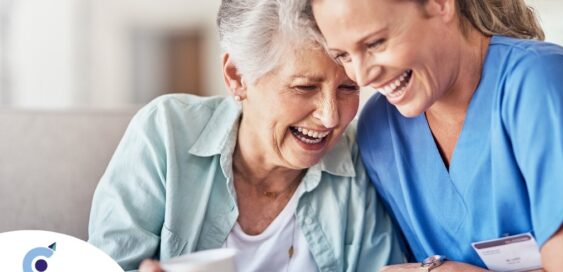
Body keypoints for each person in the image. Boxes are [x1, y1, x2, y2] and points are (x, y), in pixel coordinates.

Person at [292, 0, 563, 271]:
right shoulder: (380, 131)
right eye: (343, 55)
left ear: (441, 5)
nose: (362, 76)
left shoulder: (544, 84)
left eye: (375, 43)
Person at [87, 0, 405, 271]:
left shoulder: (358, 159)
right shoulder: (166, 133)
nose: (331, 116)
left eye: (348, 87)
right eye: (305, 87)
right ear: (237, 77)